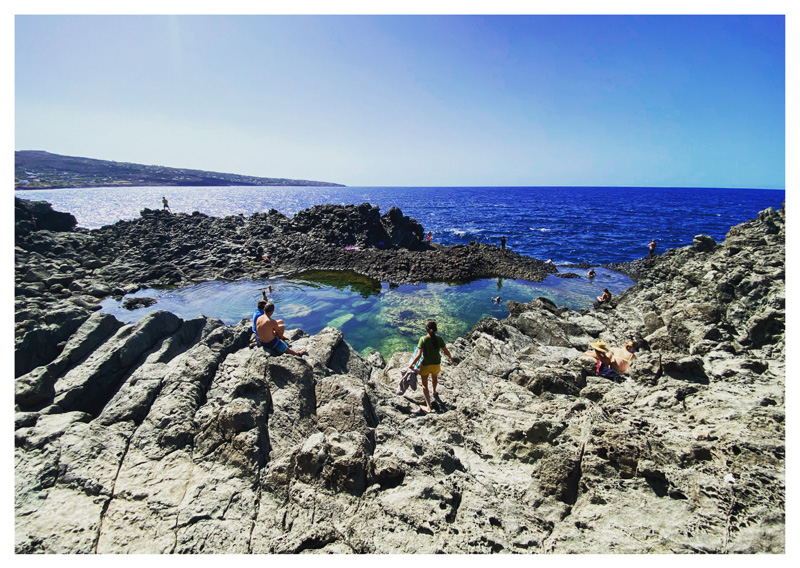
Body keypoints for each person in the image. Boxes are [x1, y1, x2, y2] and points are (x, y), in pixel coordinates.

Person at [407, 319, 453, 414]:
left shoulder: (423, 339)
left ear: (426, 329)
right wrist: (450, 358)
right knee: (434, 378)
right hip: (436, 364)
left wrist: (410, 365)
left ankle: (428, 407)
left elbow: (418, 355)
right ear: (436, 329)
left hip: (425, 366)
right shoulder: (439, 339)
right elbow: (445, 351)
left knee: (424, 385)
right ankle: (435, 392)